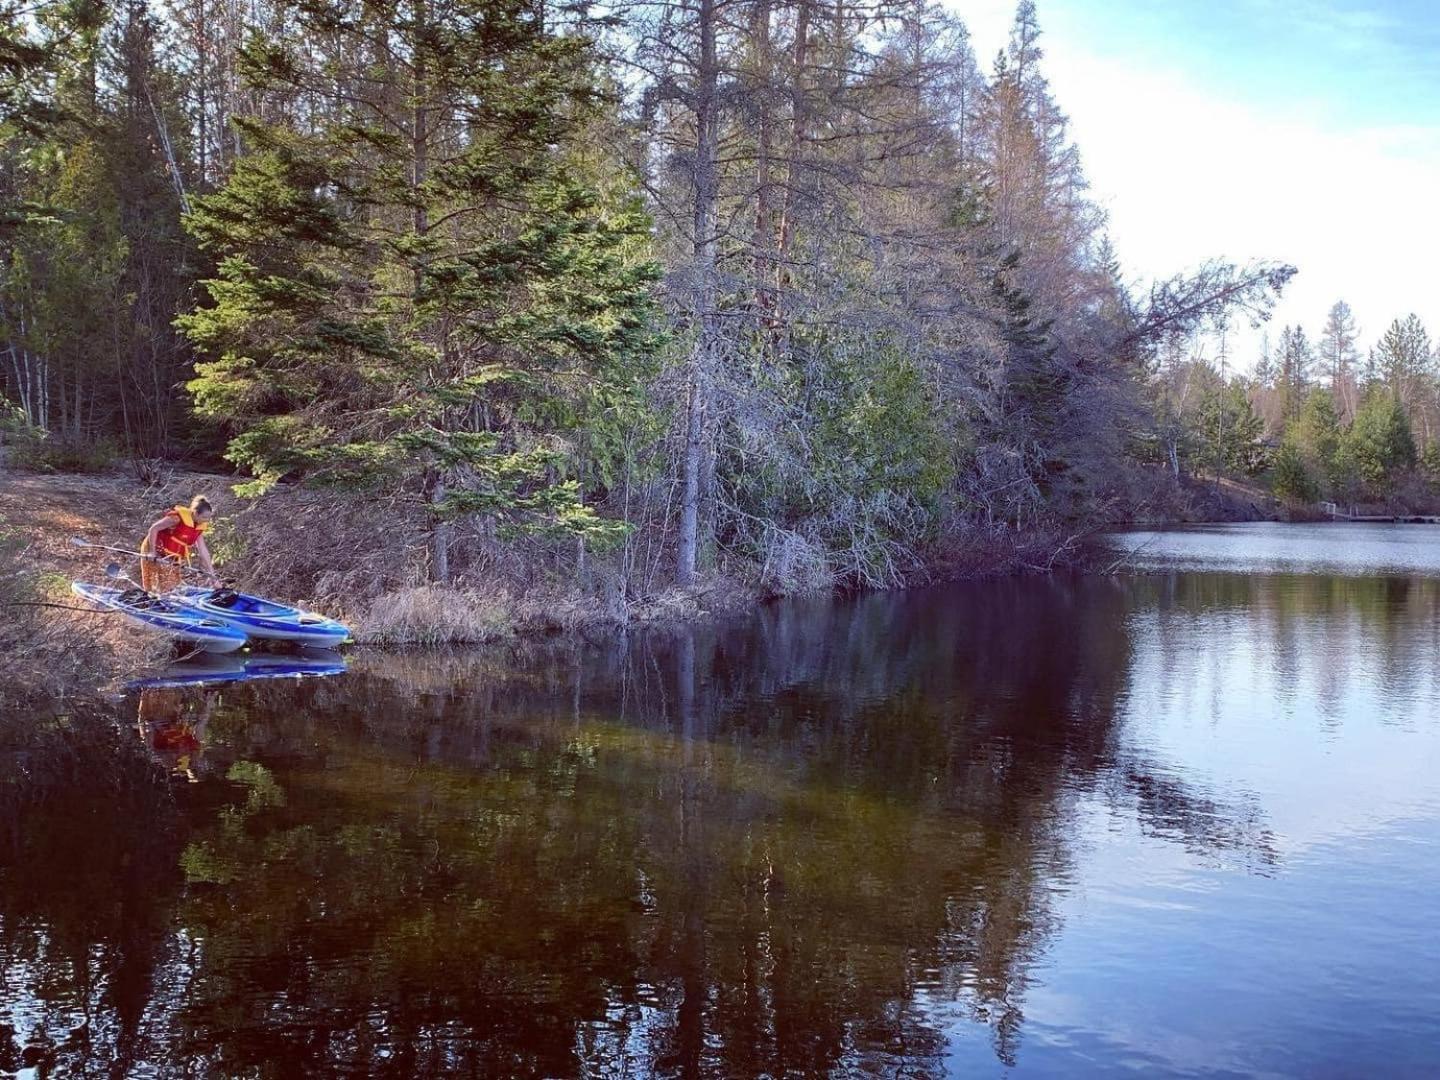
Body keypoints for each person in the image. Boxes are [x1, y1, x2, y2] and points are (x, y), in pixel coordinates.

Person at [140, 495, 218, 593]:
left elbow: (203, 551)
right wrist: (152, 552)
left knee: (171, 585)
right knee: (153, 582)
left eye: (209, 517)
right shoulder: (176, 519)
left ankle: (168, 601)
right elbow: (153, 528)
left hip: (172, 556)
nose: (206, 520)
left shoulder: (198, 527)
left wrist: (213, 576)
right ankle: (151, 600)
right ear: (195, 513)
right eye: (204, 517)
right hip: (155, 548)